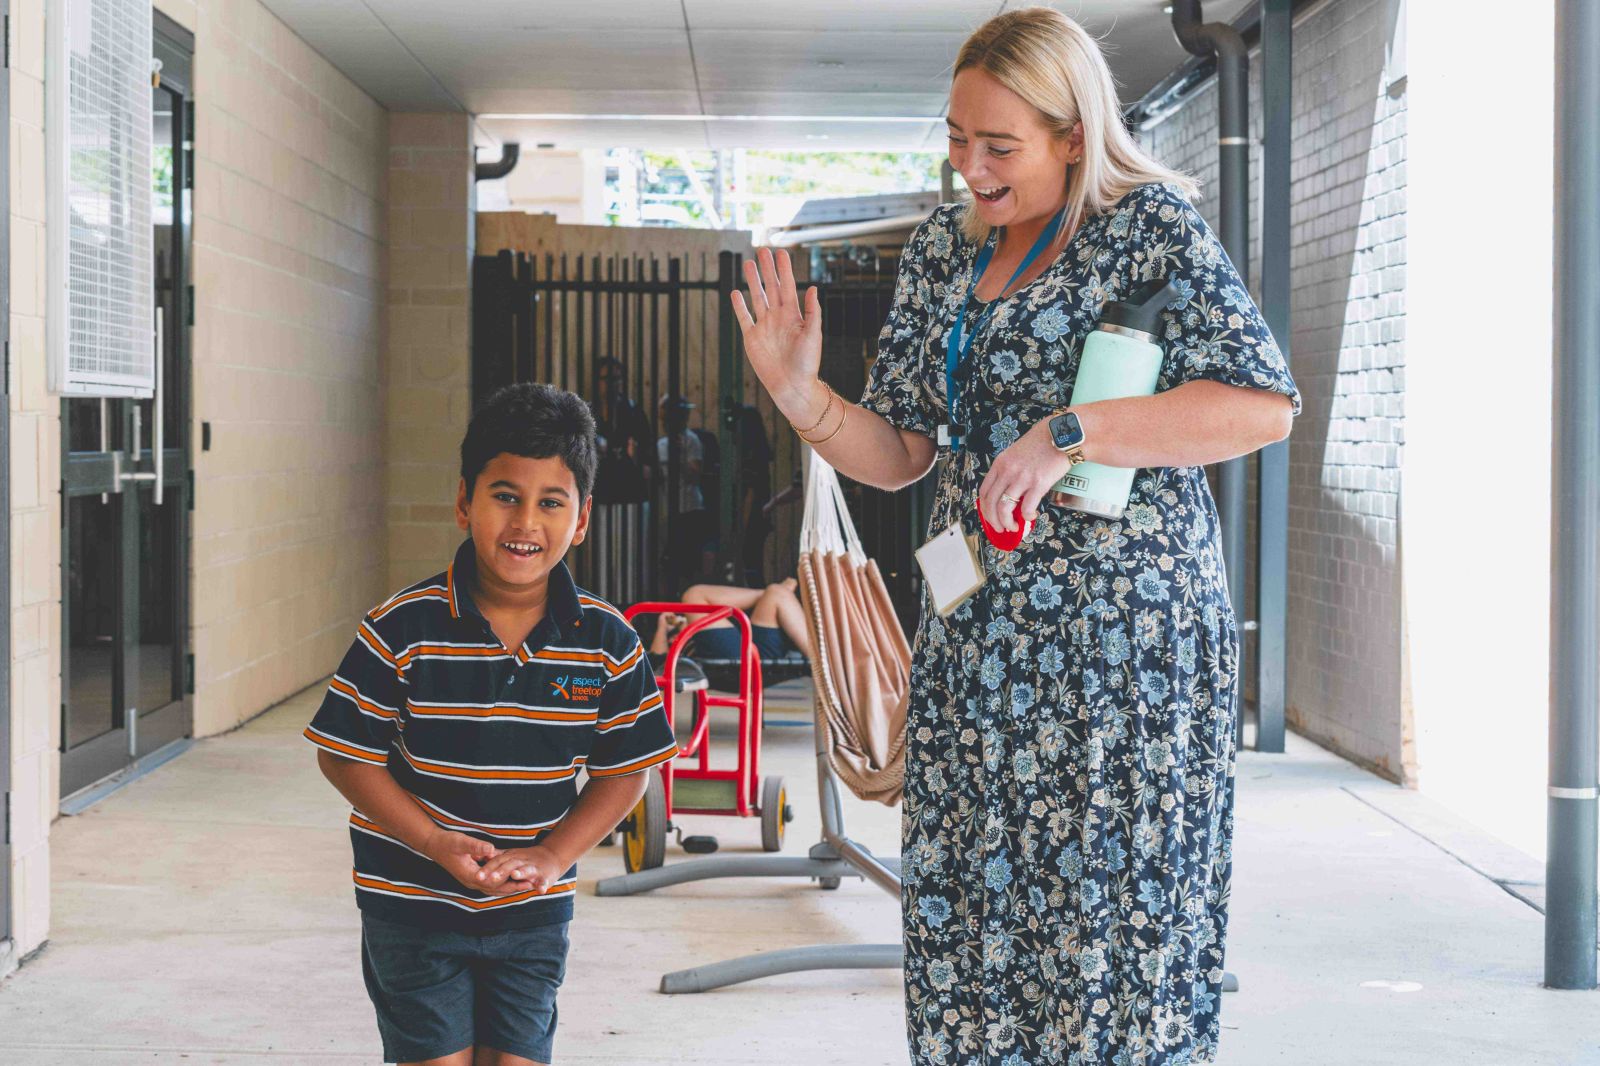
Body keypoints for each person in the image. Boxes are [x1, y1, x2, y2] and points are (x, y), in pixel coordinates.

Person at [729, 9, 1300, 1064]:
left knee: (1109, 950)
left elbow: (1261, 405)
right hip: (977, 653)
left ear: (1073, 133)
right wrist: (799, 396)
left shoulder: (1148, 226)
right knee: (973, 946)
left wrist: (1070, 431)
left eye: (999, 146)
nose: (970, 168)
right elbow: (900, 451)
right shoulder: (945, 249)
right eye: (955, 138)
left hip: (1124, 666)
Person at [304, 383, 678, 1066]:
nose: (525, 522)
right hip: (410, 898)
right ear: (462, 501)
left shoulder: (608, 641)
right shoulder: (401, 628)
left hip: (532, 911)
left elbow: (626, 771)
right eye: (505, 495)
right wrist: (433, 841)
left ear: (584, 517)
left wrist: (553, 856)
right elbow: (345, 755)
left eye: (550, 502)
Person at [647, 577, 813, 663]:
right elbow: (656, 663)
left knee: (775, 592)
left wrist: (686, 623)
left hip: (750, 648)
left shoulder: (695, 625)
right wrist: (662, 627)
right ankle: (824, 665)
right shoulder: (671, 638)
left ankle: (822, 661)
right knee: (694, 595)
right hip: (727, 661)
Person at [655, 393, 715, 585]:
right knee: (670, 561)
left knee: (689, 562)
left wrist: (679, 455)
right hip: (669, 510)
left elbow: (695, 475)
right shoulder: (661, 444)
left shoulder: (692, 441)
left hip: (690, 509)